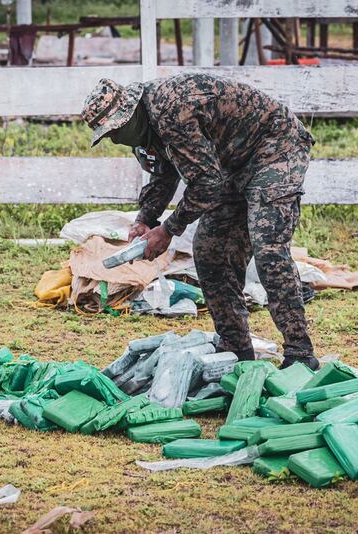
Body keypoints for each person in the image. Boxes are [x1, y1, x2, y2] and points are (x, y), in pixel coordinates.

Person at [80, 73, 318, 370]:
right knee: (210, 251)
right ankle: (235, 349)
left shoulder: (171, 111)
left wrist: (167, 231)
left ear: (128, 116)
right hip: (229, 163)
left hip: (274, 148)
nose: (113, 139)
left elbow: (206, 184)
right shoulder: (144, 128)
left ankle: (300, 355)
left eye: (114, 131)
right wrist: (145, 219)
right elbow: (163, 173)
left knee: (269, 250)